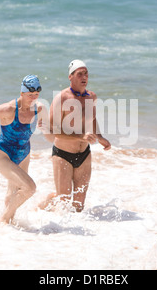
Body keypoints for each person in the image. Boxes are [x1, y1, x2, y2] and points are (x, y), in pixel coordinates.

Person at [42, 59, 111, 212]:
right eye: (79, 74)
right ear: (70, 77)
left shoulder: (91, 97)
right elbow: (53, 130)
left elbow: (92, 119)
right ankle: (46, 204)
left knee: (79, 206)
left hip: (84, 155)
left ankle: (76, 236)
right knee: (64, 204)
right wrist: (81, 137)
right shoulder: (62, 98)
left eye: (86, 74)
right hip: (63, 155)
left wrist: (100, 137)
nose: (84, 77)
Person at [0, 75, 48, 224]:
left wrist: (44, 125)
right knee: (29, 188)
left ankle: (8, 231)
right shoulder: (9, 109)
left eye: (36, 95)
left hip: (24, 154)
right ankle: (3, 220)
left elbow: (44, 125)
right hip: (3, 154)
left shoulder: (39, 108)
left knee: (13, 194)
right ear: (22, 93)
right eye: (30, 95)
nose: (33, 98)